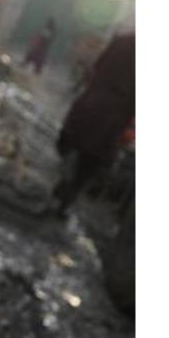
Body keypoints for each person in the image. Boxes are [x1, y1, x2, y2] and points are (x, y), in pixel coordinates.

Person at [51, 30, 135, 215]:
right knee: (90, 164)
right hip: (113, 117)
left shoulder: (122, 40)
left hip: (91, 104)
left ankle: (62, 187)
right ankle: (64, 200)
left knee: (70, 144)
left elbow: (97, 67)